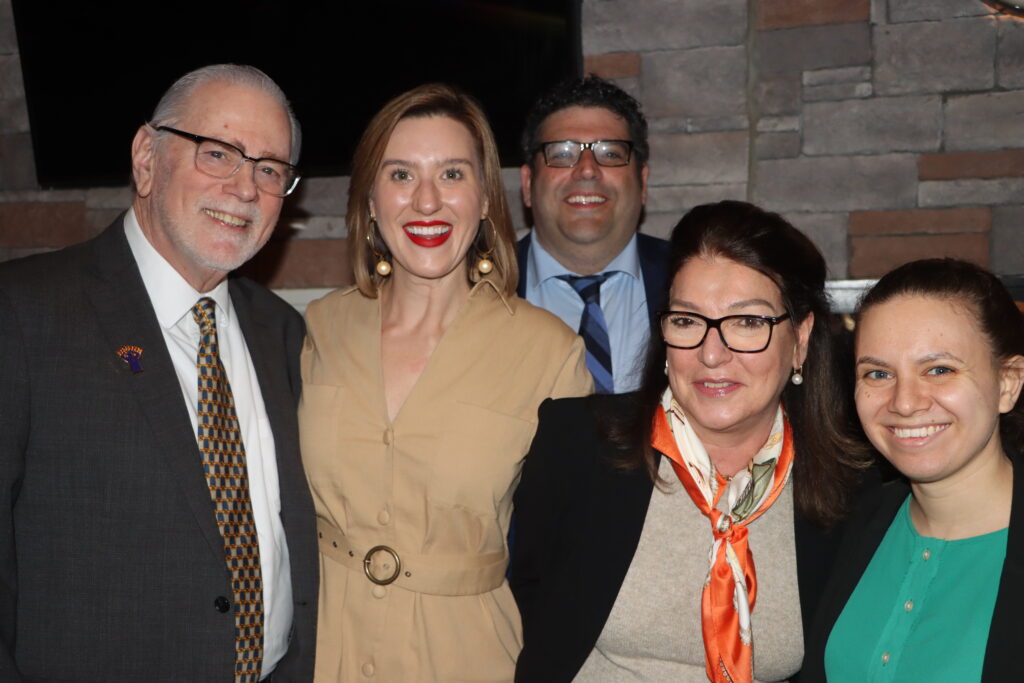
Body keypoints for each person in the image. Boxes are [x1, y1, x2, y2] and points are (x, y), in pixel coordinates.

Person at [0, 64, 318, 682]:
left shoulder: (284, 332)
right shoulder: (21, 315)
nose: (245, 188)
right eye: (219, 153)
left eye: (269, 169)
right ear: (147, 157)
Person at [299, 83, 592, 682]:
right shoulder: (320, 326)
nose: (426, 201)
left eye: (452, 174)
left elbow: (571, 556)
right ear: (371, 203)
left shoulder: (549, 353)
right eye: (401, 175)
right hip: (321, 646)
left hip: (467, 655)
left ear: (486, 198)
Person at [510, 200, 870, 682]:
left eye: (748, 322)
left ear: (801, 339)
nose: (712, 353)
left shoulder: (853, 489)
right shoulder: (577, 444)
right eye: (687, 320)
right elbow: (532, 606)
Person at [803, 259, 1024, 682]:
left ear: (1008, 382)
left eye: (939, 370)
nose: (904, 402)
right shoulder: (852, 521)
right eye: (878, 373)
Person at [517, 75, 669, 394]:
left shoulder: (688, 276)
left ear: (642, 183)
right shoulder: (475, 292)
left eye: (611, 153)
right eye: (562, 153)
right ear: (528, 184)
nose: (587, 169)